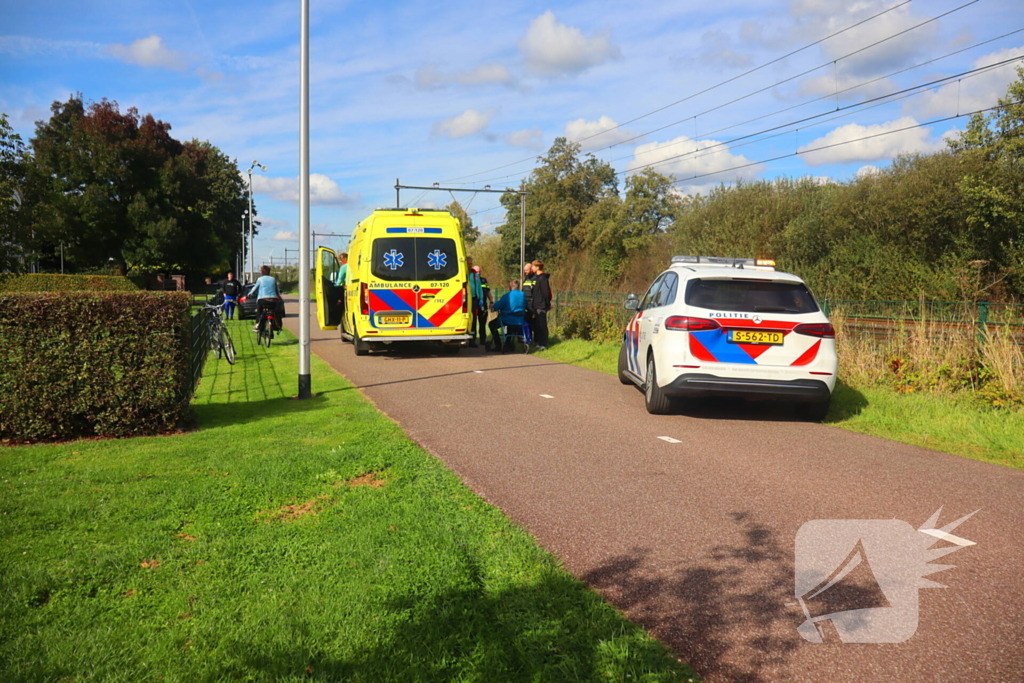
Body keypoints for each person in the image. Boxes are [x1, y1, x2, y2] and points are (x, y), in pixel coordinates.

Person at [488, 279, 527, 353]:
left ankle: (498, 344)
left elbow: (497, 306)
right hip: (519, 320)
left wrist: (493, 306)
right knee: (511, 327)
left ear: (510, 286)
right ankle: (508, 343)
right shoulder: (523, 295)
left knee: (492, 324)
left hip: (507, 319)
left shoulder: (507, 296)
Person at [466, 257, 492, 349]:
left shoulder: (474, 275)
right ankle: (466, 339)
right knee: (467, 320)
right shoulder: (462, 273)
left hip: (473, 299)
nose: (469, 265)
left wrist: (480, 298)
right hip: (464, 299)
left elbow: (479, 289)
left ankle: (473, 340)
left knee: (474, 320)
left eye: (470, 263)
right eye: (468, 263)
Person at [252, 265, 283, 332]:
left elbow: (255, 288)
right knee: (274, 311)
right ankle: (276, 324)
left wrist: (249, 294)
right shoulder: (273, 279)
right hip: (273, 300)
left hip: (262, 299)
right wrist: (278, 295)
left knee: (259, 311)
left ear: (262, 272)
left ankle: (258, 324)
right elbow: (277, 290)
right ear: (269, 272)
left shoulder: (260, 279)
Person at [530, 260, 552, 350]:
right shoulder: (536, 278)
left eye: (533, 266)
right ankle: (539, 342)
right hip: (535, 305)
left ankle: (544, 343)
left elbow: (545, 293)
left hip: (541, 305)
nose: (532, 268)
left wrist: (547, 304)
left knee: (542, 325)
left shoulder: (543, 278)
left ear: (538, 267)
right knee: (537, 325)